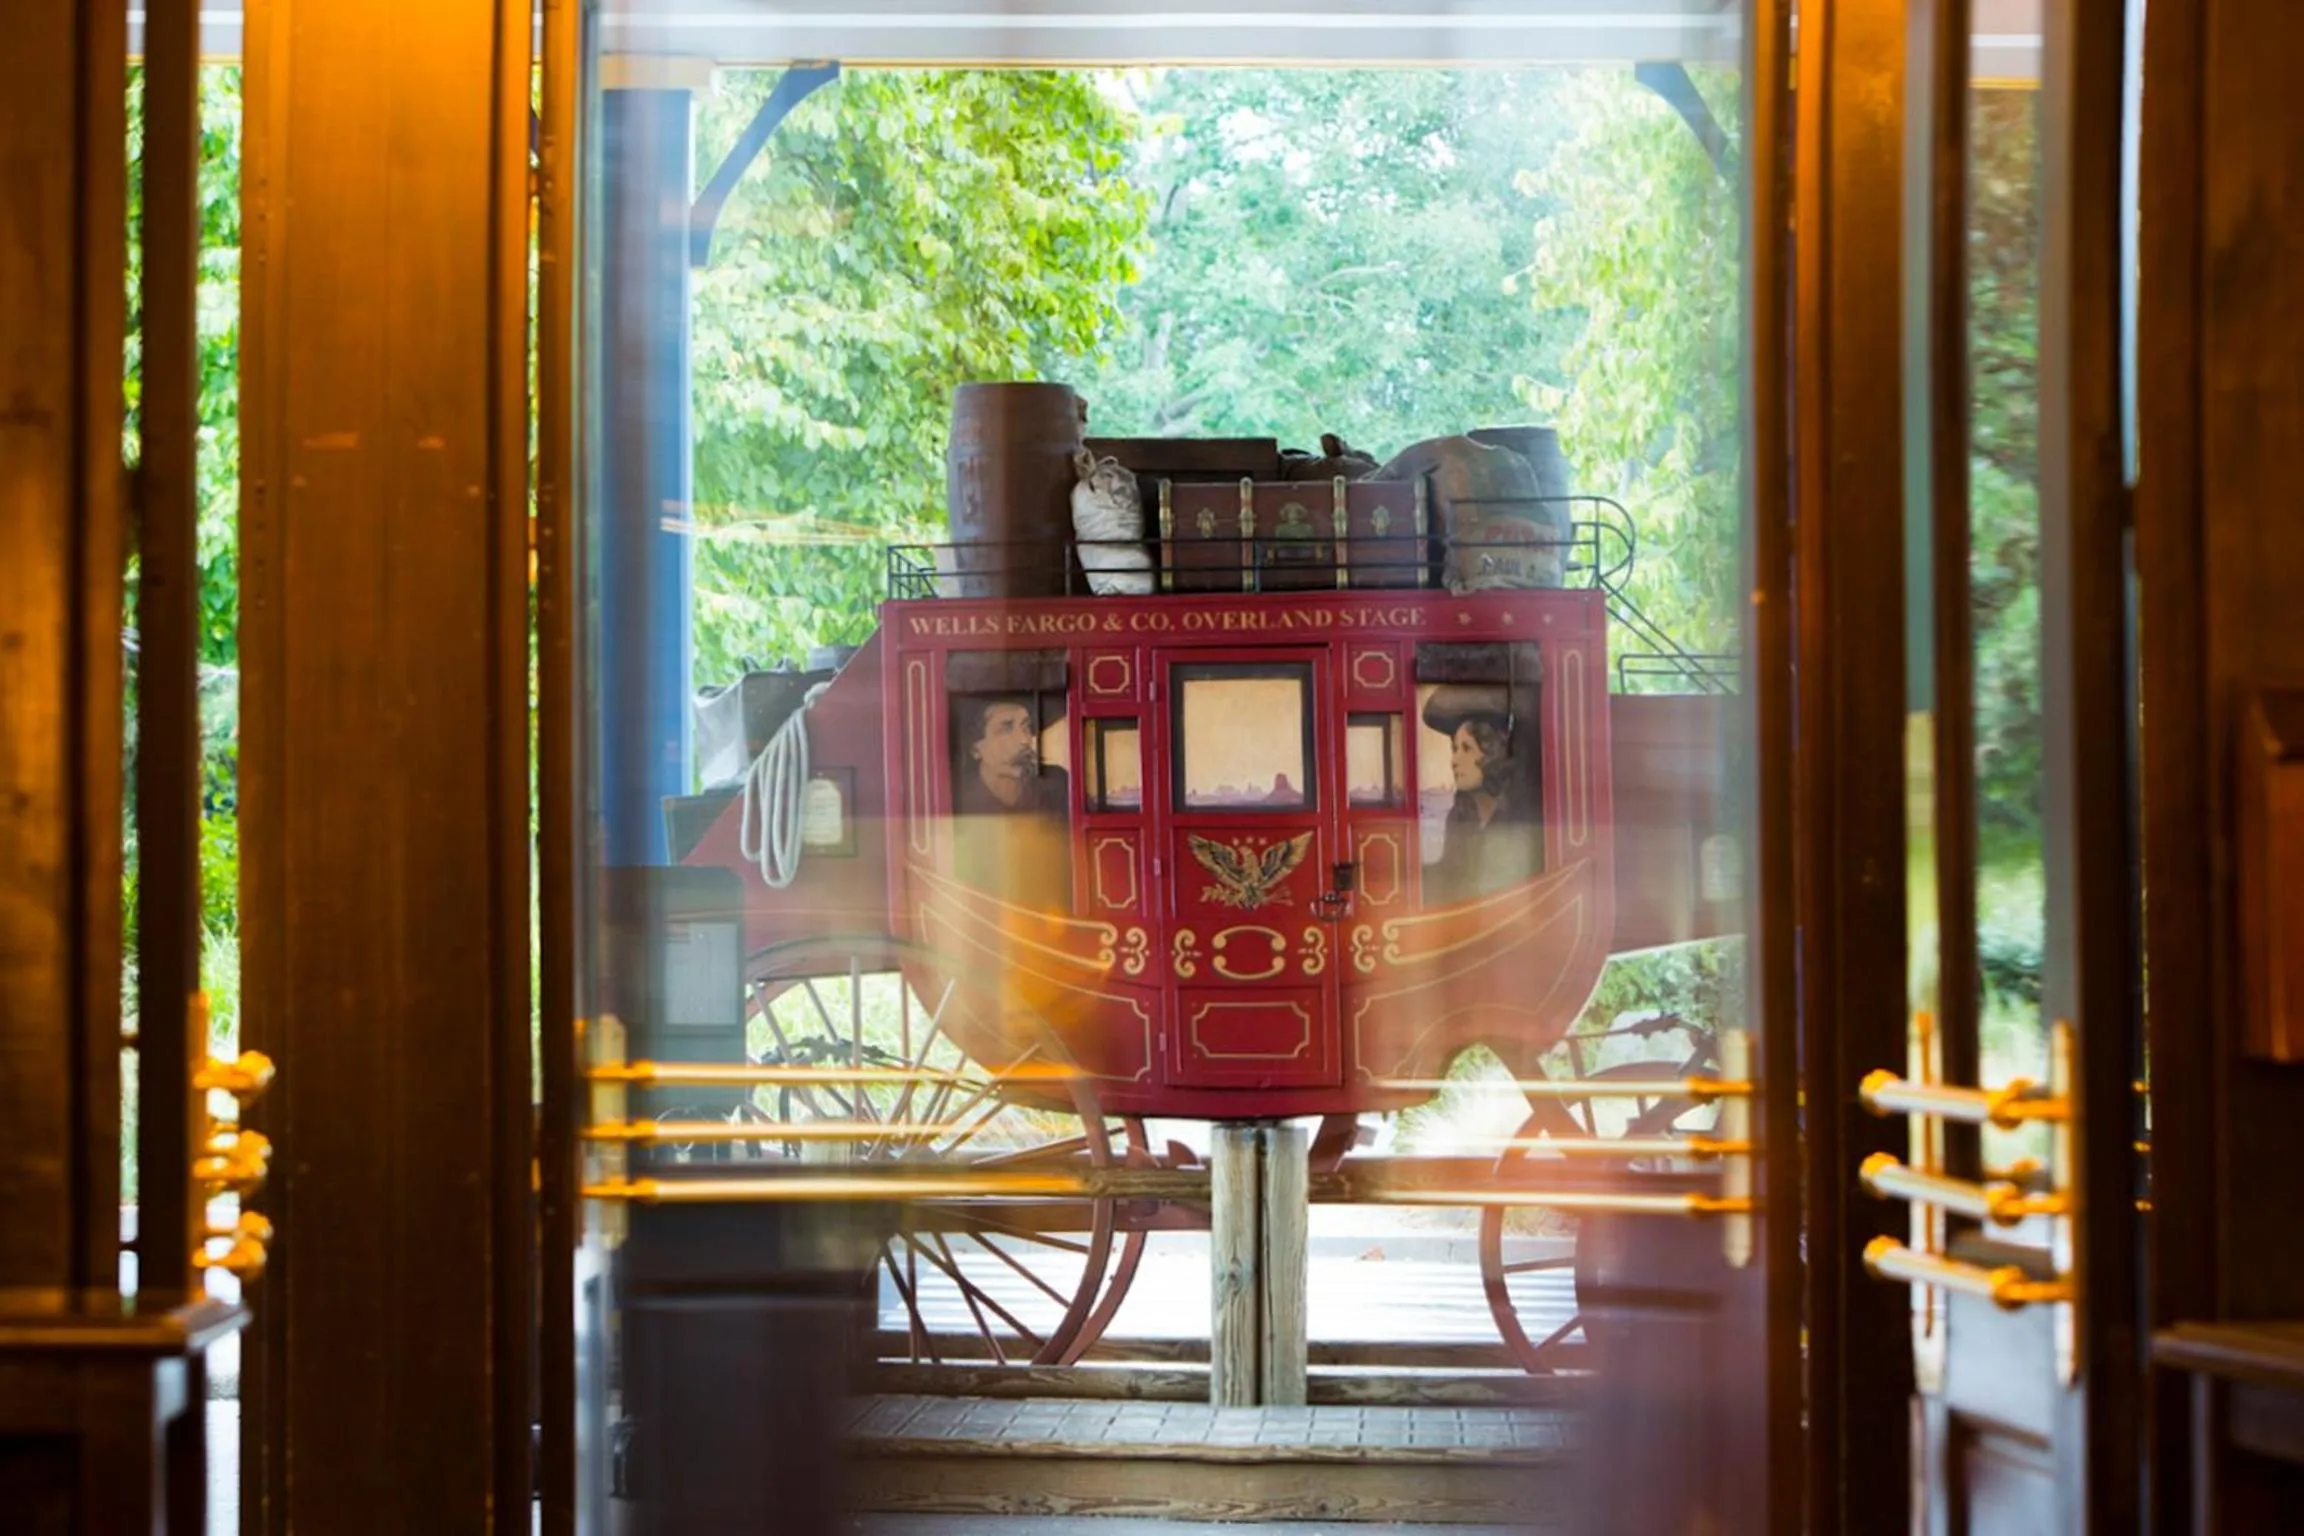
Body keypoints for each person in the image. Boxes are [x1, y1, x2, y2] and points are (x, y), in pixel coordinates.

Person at [1422, 686, 1541, 905]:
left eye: (1466, 748)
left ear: (1493, 754)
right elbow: (1449, 878)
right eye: (1454, 748)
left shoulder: (1518, 814)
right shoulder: (1460, 815)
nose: (1454, 760)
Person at [952, 695, 1073, 907]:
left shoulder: (1058, 786)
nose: (1025, 740)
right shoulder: (958, 800)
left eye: (1027, 727)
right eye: (1006, 728)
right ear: (975, 749)